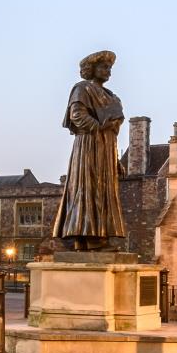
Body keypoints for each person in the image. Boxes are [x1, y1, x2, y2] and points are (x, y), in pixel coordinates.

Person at [50, 51, 127, 250]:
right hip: (88, 145)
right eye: (103, 67)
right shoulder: (82, 88)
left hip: (107, 147)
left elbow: (114, 133)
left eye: (110, 68)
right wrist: (99, 126)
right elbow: (76, 115)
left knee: (104, 191)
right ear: (91, 69)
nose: (108, 71)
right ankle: (87, 238)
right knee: (87, 188)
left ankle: (100, 236)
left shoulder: (112, 96)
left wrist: (116, 160)